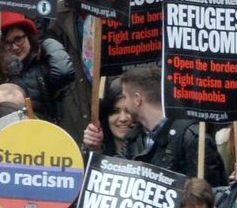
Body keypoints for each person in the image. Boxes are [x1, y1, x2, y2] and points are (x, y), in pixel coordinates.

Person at [85, 66, 226, 184]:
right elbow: (113, 179)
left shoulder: (192, 138)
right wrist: (96, 149)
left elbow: (209, 194)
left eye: (125, 96)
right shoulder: (134, 138)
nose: (125, 105)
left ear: (137, 99)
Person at [0, 12, 74, 122]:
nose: (15, 47)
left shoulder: (45, 65)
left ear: (28, 37)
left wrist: (50, 44)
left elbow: (64, 73)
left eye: (18, 39)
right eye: (7, 42)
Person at [82, 81, 135, 157]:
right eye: (115, 111)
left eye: (129, 111)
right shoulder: (96, 150)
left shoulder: (152, 153)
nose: (123, 119)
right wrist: (95, 149)